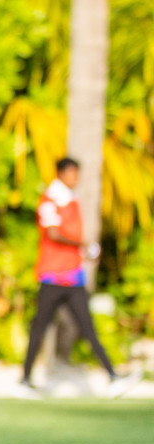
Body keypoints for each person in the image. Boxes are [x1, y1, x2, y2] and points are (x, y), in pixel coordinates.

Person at [21, 157, 133, 391]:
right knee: (40, 326)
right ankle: (24, 380)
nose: (76, 178)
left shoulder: (72, 200)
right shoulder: (51, 199)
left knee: (87, 326)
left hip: (73, 277)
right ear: (62, 173)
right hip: (52, 276)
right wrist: (82, 244)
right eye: (72, 173)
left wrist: (83, 251)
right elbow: (53, 233)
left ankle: (113, 376)